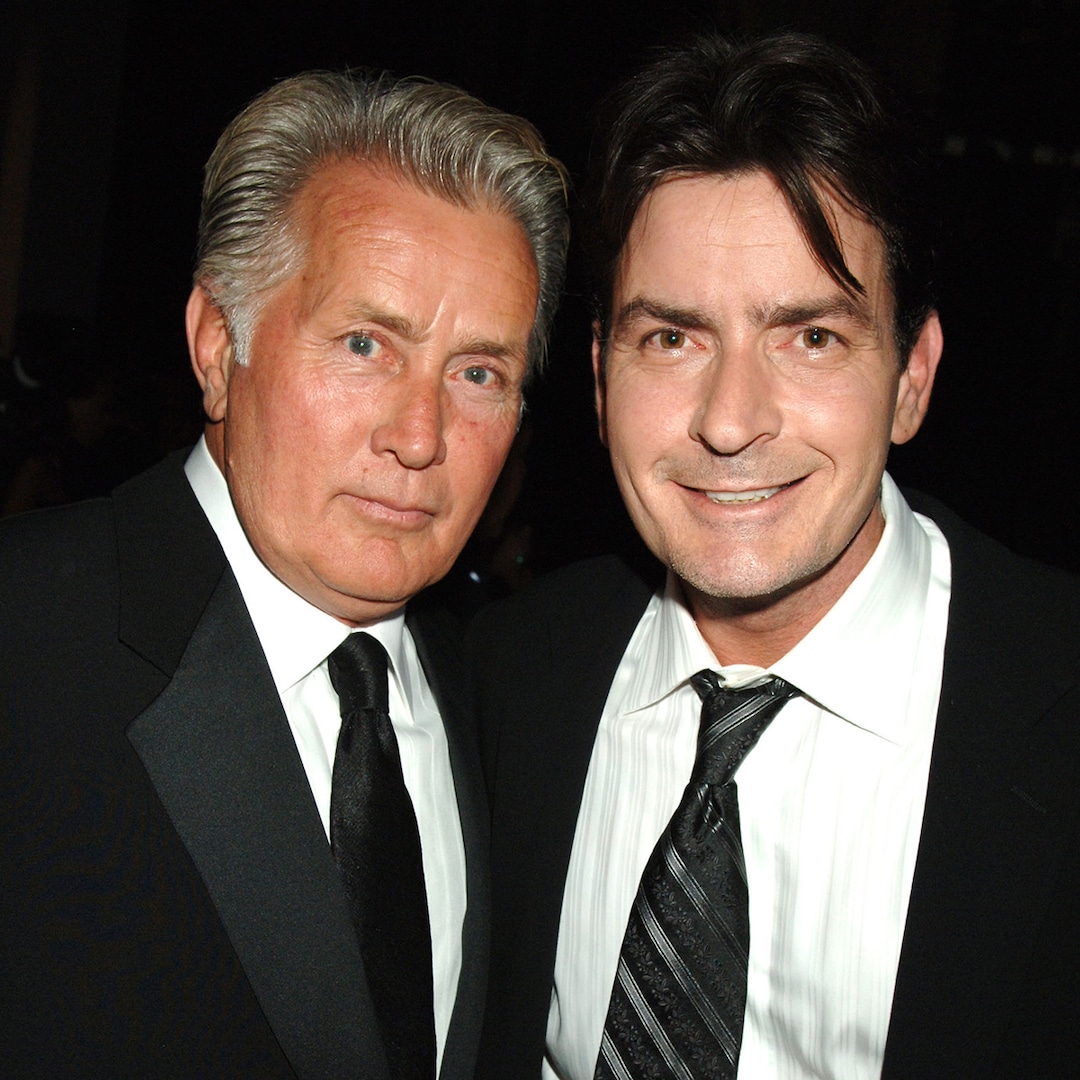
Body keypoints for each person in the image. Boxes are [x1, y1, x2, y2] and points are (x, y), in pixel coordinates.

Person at [472, 32, 1080, 1080]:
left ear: (912, 377)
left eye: (811, 337)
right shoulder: (501, 679)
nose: (730, 420)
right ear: (601, 380)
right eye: (673, 338)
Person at [0, 70, 567, 1079]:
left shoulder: (501, 697)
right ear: (219, 346)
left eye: (479, 373)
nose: (421, 436)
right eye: (365, 343)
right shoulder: (26, 636)